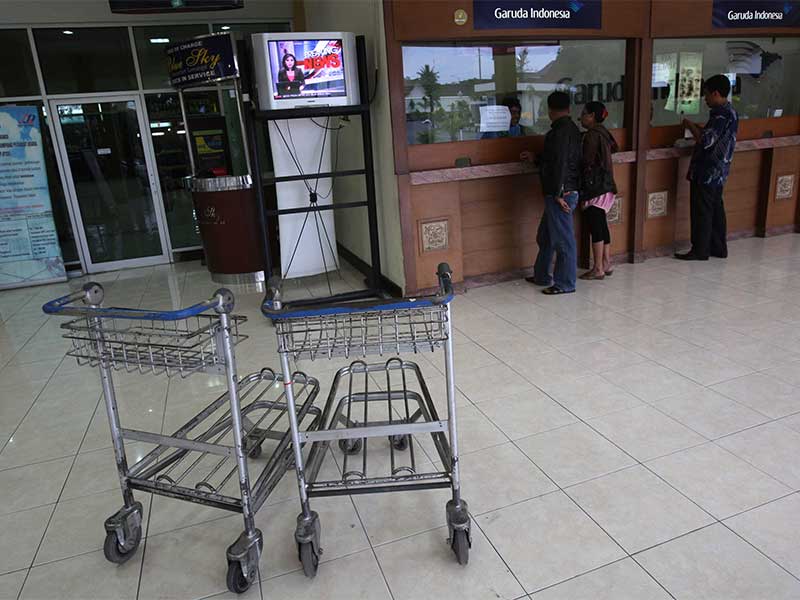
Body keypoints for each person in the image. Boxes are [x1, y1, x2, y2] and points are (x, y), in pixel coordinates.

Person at [521, 91, 582, 295]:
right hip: (560, 190)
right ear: (568, 108)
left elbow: (561, 163)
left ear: (550, 110)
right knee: (545, 236)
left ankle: (565, 283)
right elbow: (554, 159)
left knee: (563, 240)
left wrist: (558, 192)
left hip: (561, 193)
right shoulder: (568, 129)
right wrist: (536, 158)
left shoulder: (561, 132)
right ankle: (542, 275)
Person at [675, 74, 738, 261]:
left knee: (702, 210)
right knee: (716, 209)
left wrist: (689, 126)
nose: (705, 99)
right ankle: (718, 247)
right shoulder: (731, 112)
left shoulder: (720, 113)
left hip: (707, 171)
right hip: (720, 171)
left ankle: (700, 249)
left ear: (716, 94)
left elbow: (706, 140)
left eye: (707, 95)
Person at [579, 101, 618, 280]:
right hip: (607, 185)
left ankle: (597, 268)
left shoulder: (592, 135)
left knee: (596, 226)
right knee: (601, 224)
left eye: (583, 113)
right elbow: (615, 148)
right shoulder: (604, 132)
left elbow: (586, 160)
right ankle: (606, 263)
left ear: (592, 116)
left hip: (595, 187)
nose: (580, 117)